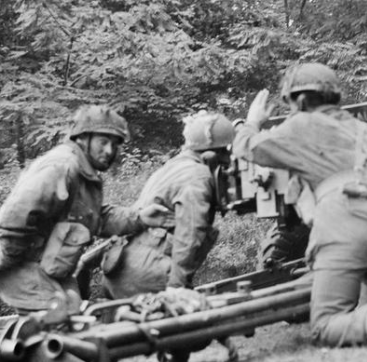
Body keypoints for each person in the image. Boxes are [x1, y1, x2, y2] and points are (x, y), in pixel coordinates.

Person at [232, 62, 367, 347]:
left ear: (296, 99)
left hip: (346, 219)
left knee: (325, 327)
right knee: (361, 308)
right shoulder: (363, 129)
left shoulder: (300, 124)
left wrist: (251, 121)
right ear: (334, 96)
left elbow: (247, 147)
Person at [0, 105, 174, 315]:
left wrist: (140, 218)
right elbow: (14, 219)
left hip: (52, 269)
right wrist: (10, 261)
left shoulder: (84, 174)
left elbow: (96, 218)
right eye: (103, 142)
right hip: (22, 267)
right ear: (82, 138)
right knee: (59, 333)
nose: (109, 151)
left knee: (78, 322)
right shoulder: (61, 167)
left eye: (114, 144)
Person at [101, 111, 234, 298]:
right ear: (211, 155)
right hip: (148, 276)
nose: (228, 162)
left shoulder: (173, 167)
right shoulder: (197, 176)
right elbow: (190, 232)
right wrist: (177, 287)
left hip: (121, 270)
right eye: (224, 156)